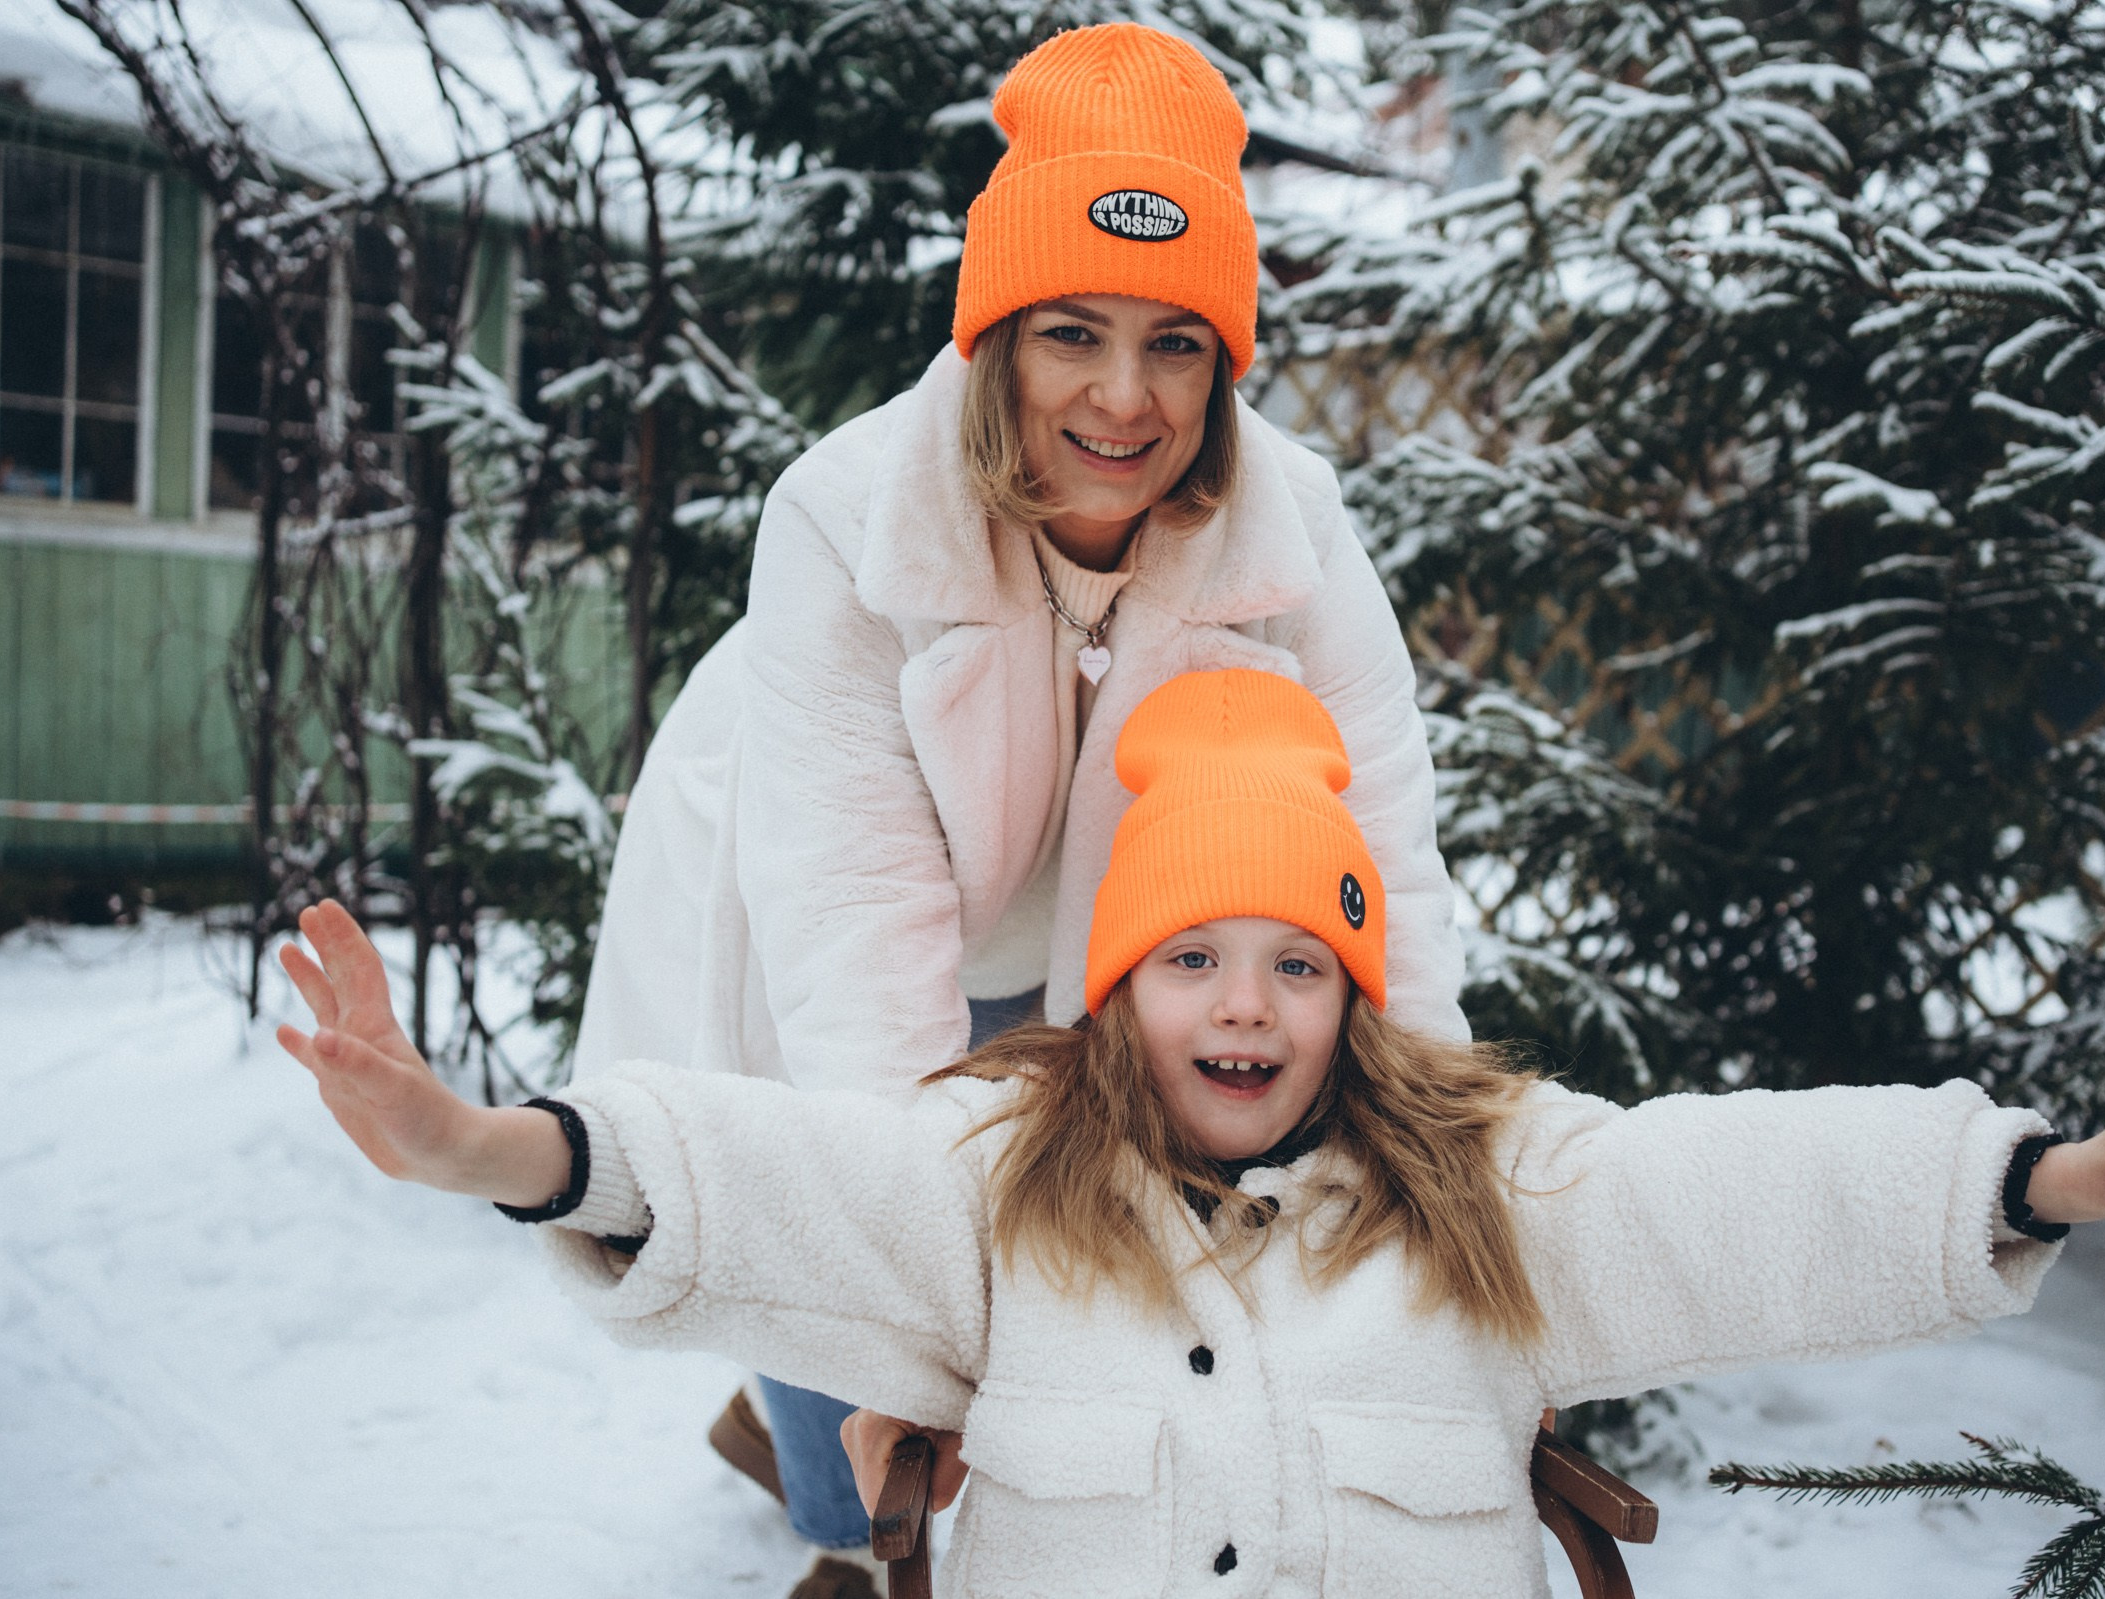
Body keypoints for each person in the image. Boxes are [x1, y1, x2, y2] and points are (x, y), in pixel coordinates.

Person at [278, 669, 2105, 1599]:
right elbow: (754, 1173)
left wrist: (2045, 1176)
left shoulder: (1486, 1195)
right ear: (1112, 985)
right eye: (1188, 952)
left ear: (1352, 996)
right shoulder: (994, 1192)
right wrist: (482, 1145)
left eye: (1296, 961)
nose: (1240, 1002)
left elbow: (1747, 1189)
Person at [569, 24, 1468, 1592]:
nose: (1124, 401)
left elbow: (1380, 852)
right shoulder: (848, 518)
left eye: (1177, 342)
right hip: (818, 883)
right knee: (843, 1242)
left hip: (1092, 933)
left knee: (1078, 1215)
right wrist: (898, 1369)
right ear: (996, 341)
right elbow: (855, 961)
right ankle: (838, 1529)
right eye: (1072, 332)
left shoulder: (1291, 528)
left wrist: (1440, 1202)